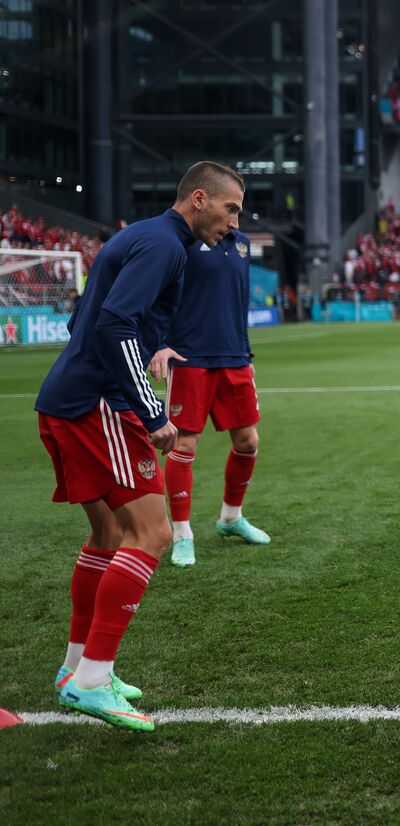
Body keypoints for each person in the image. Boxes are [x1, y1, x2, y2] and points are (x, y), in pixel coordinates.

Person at [35, 160, 244, 731]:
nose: (235, 223)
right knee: (151, 533)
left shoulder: (142, 235)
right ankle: (93, 682)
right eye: (231, 210)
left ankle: (76, 669)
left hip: (67, 396)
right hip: (97, 405)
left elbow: (97, 316)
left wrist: (155, 345)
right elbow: (113, 324)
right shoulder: (166, 246)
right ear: (199, 199)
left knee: (106, 533)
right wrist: (151, 408)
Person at [149, 215, 270, 568]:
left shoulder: (243, 245)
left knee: (248, 442)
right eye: (230, 207)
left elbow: (240, 303)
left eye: (239, 209)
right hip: (189, 358)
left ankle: (231, 518)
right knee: (184, 444)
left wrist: (246, 355)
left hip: (233, 358)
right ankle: (182, 533)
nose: (234, 217)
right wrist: (159, 345)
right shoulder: (183, 244)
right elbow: (158, 296)